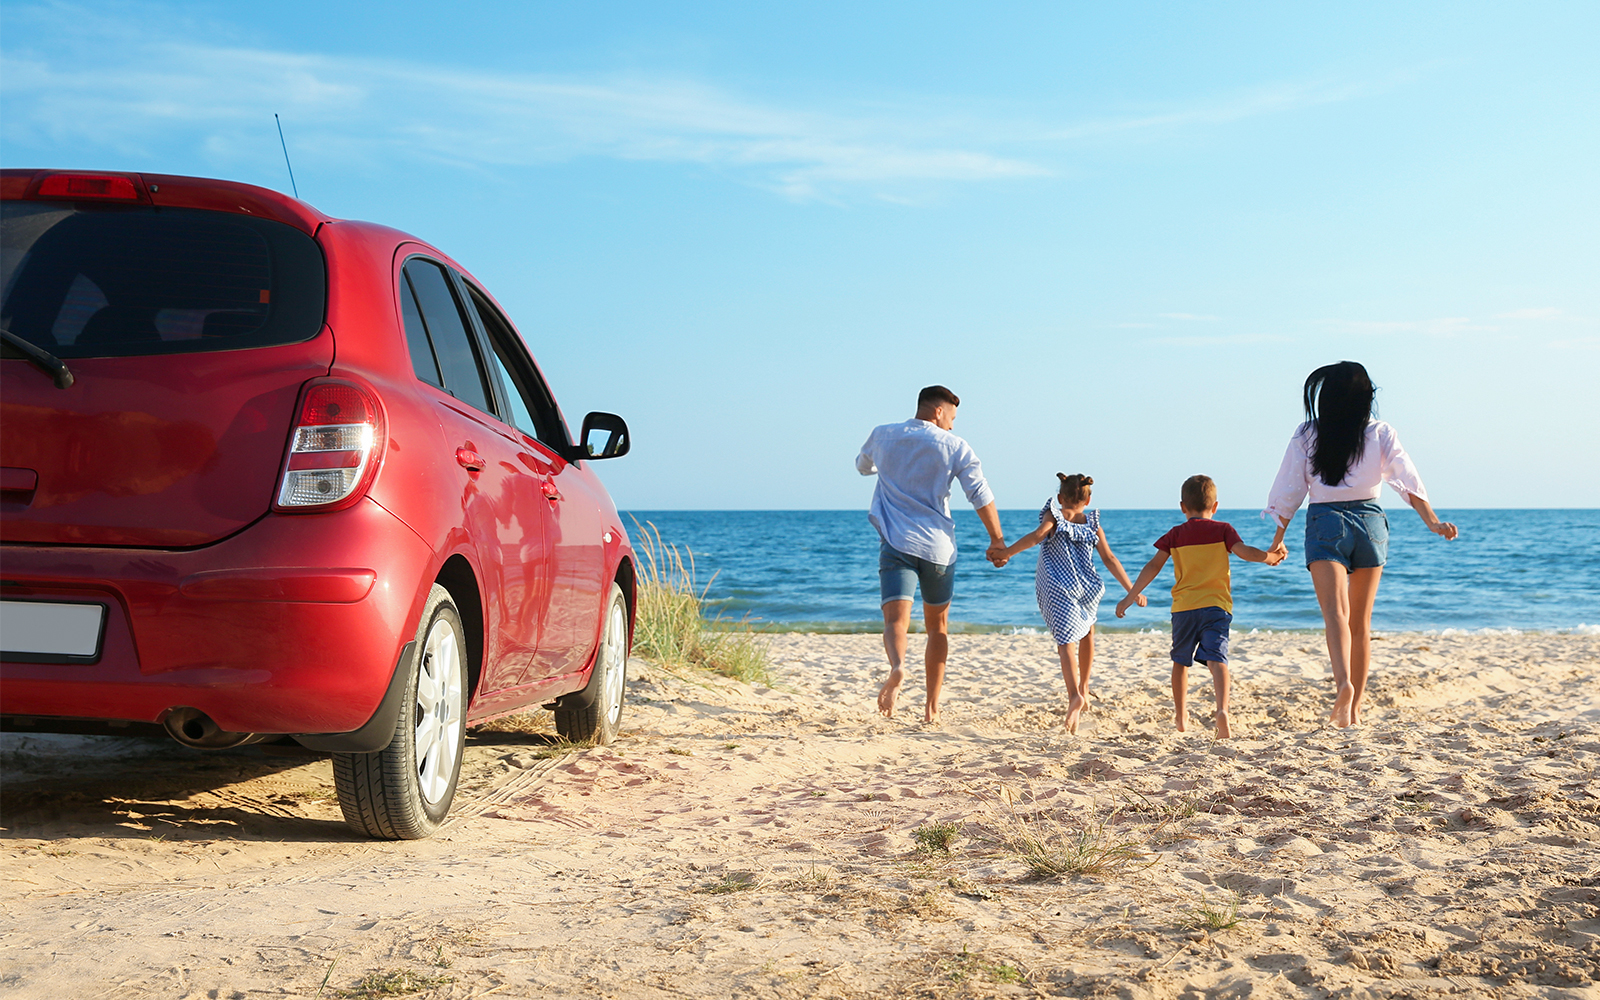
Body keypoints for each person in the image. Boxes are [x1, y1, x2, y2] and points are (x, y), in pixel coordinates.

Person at [1262, 361, 1458, 728]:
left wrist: (1277, 538)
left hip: (1325, 521)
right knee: (1361, 622)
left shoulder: (1308, 434)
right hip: (1370, 522)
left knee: (1335, 615)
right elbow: (1407, 479)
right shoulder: (1381, 432)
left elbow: (1290, 489)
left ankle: (1343, 685)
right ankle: (1355, 710)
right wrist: (1432, 522)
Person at [857, 385, 1006, 723]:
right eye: (951, 417)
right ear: (939, 411)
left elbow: (863, 467)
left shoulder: (882, 435)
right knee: (937, 627)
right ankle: (931, 708)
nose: (952, 426)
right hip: (938, 549)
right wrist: (997, 539)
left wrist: (891, 468)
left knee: (895, 619)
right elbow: (979, 493)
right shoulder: (955, 446)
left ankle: (897, 668)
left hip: (896, 543)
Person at [1115, 475, 1283, 739]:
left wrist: (1130, 597)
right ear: (1215, 506)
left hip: (1183, 609)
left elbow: (1152, 567)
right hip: (1216, 607)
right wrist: (1270, 557)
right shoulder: (1223, 530)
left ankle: (1181, 716)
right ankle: (1222, 710)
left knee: (1180, 662)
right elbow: (1246, 552)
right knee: (1218, 659)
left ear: (1183, 506)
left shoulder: (1175, 534)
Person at [991, 473, 1145, 734]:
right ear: (1089, 498)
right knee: (1087, 632)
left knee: (1065, 643)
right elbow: (1110, 559)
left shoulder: (1055, 516)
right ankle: (1084, 685)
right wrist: (1132, 590)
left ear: (1060, 498)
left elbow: (1037, 535)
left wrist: (1006, 553)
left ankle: (1075, 694)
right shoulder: (1093, 524)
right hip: (1088, 587)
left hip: (1059, 587)